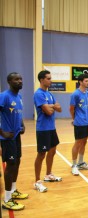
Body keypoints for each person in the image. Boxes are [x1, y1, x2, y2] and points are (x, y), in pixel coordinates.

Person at [0, 72, 28, 211]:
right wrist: (2, 132)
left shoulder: (19, 96)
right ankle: (7, 199)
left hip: (16, 135)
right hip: (7, 137)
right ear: (9, 81)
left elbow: (18, 112)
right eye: (16, 79)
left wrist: (22, 124)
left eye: (21, 79)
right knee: (10, 165)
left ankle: (14, 190)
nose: (20, 81)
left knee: (17, 162)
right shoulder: (4, 96)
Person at [33, 70, 62, 193]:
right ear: (42, 80)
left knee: (53, 151)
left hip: (51, 128)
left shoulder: (49, 94)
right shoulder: (38, 94)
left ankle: (48, 174)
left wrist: (50, 106)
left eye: (51, 78)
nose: (51, 80)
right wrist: (52, 106)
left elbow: (59, 108)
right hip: (43, 129)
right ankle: (37, 181)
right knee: (41, 154)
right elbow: (49, 111)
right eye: (48, 78)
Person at [70, 73, 88, 176]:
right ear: (80, 82)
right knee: (78, 143)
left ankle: (81, 162)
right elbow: (71, 108)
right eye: (86, 81)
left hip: (87, 122)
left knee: (84, 142)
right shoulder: (75, 94)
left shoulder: (87, 93)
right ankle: (74, 165)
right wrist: (74, 119)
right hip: (79, 122)